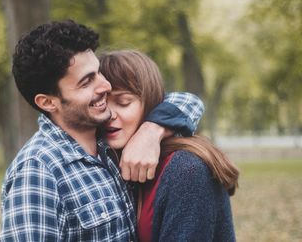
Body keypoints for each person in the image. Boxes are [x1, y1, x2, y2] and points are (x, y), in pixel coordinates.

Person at [0, 20, 203, 241]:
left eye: (98, 72)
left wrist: (150, 132)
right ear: (48, 102)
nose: (105, 86)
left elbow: (188, 101)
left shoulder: (109, 141)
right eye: (87, 82)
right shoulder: (38, 172)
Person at [99, 50, 239, 242]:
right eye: (101, 104)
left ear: (150, 105)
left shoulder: (185, 170)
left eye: (123, 102)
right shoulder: (109, 160)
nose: (110, 114)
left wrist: (150, 130)